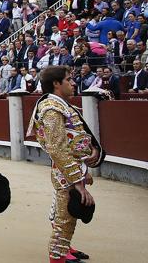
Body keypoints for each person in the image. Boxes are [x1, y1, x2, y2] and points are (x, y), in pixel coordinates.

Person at [29, 66, 104, 263]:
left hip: (69, 172)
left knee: (65, 225)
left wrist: (91, 153)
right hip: (66, 176)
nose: (73, 83)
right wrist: (77, 180)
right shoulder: (52, 109)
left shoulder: (61, 106)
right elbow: (57, 148)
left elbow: (74, 139)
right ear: (56, 84)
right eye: (69, 79)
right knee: (63, 228)